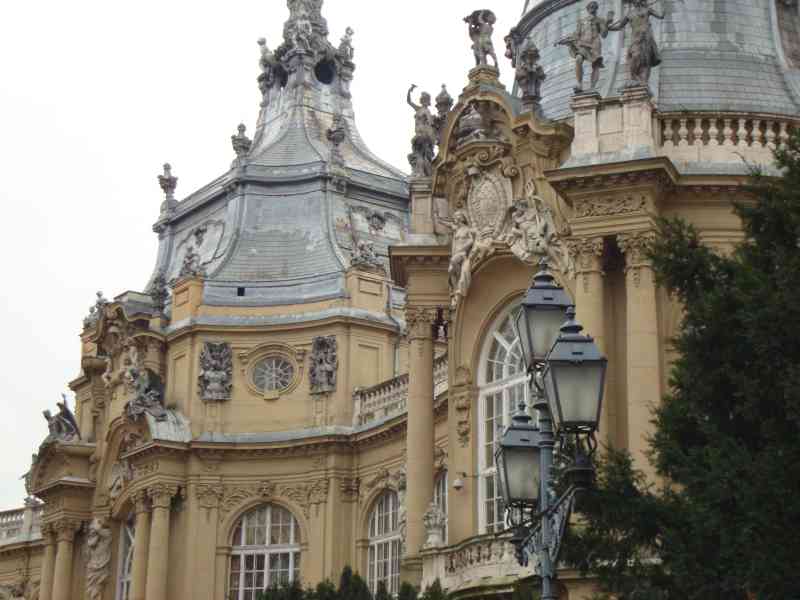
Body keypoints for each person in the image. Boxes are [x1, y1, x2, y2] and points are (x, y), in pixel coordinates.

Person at [556, 1, 615, 93]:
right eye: (590, 6)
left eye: (594, 6)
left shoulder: (600, 20)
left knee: (595, 65)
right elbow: (576, 35)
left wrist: (607, 23)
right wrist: (563, 40)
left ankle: (592, 87)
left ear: (596, 8)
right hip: (584, 44)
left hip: (595, 44)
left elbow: (604, 34)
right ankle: (580, 84)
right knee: (578, 59)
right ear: (587, 9)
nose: (592, 8)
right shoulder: (582, 21)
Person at [609, 0, 665, 87]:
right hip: (636, 39)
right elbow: (619, 27)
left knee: (646, 60)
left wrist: (663, 7)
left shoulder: (647, 10)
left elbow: (661, 16)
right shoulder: (629, 14)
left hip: (647, 38)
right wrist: (608, 26)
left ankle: (644, 81)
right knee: (636, 55)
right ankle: (632, 77)